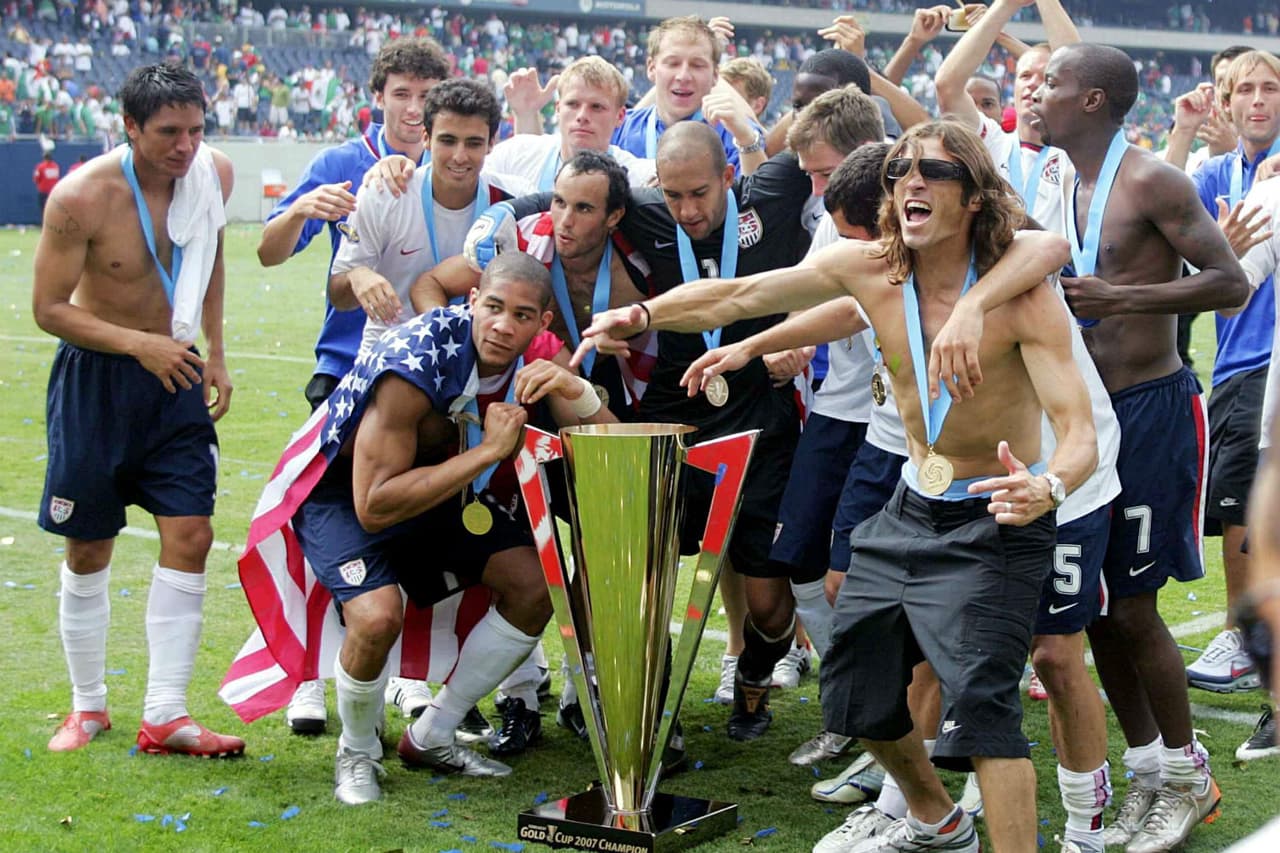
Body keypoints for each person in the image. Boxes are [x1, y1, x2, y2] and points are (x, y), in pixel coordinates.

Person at [578, 119, 1094, 853]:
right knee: (853, 692)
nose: (911, 182)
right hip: (910, 503)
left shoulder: (1021, 297)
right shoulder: (870, 269)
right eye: (901, 170)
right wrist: (641, 314)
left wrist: (1048, 485)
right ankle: (935, 817)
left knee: (984, 717)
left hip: (993, 520)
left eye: (935, 173)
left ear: (974, 196)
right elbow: (738, 292)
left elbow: (1079, 431)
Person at [286, 254, 616, 804]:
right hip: (346, 495)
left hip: (436, 493)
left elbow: (615, 443)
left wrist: (575, 391)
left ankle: (434, 732)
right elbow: (373, 505)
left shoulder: (536, 359)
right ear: (471, 303)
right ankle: (358, 749)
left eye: (521, 314)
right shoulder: (416, 361)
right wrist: (488, 452)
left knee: (535, 587)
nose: (503, 325)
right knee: (376, 616)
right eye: (492, 307)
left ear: (543, 324)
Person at [1030, 43, 1250, 852]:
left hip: (1152, 407)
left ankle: (1189, 778)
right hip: (1082, 418)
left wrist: (1124, 293)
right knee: (1092, 613)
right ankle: (1149, 771)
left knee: (1132, 605)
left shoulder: (1152, 178)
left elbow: (1232, 281)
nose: (1037, 92)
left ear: (1091, 100)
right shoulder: (1057, 178)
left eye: (1051, 82)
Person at [32, 63, 242, 757]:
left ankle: (166, 713)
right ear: (129, 126)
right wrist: (139, 344)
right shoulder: (80, 197)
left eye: (196, 129)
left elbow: (210, 258)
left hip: (176, 377)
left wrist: (214, 348)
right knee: (89, 543)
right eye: (168, 133)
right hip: (98, 382)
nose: (186, 147)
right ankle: (87, 705)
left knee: (192, 535)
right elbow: (48, 309)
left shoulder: (215, 172)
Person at [254, 36, 451, 735]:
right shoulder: (342, 163)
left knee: (414, 521)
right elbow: (268, 252)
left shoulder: (452, 161)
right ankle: (309, 675)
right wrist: (304, 209)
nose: (414, 108)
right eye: (402, 93)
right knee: (331, 522)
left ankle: (409, 672)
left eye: (427, 95)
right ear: (378, 97)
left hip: (427, 379)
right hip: (345, 372)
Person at [1180, 50, 1280, 696]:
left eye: (1271, 88)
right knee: (1237, 504)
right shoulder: (1212, 173)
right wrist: (1226, 251)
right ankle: (1250, 636)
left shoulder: (1273, 174)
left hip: (1265, 363)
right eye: (1246, 89)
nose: (1259, 100)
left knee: (1250, 503)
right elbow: (1212, 284)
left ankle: (1249, 638)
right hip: (1236, 355)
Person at [329, 77, 532, 355]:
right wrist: (357, 276)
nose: (459, 156)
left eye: (473, 143)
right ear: (426, 137)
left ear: (491, 143)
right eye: (447, 141)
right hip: (393, 357)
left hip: (479, 363)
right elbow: (338, 296)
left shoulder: (516, 200)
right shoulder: (385, 193)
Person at [610, 15, 766, 176]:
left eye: (697, 65)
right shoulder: (619, 128)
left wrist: (747, 142)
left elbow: (758, 197)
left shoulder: (737, 132)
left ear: (715, 75)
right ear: (651, 68)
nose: (683, 76)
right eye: (673, 63)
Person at [490, 56, 655, 189]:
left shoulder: (638, 180)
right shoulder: (514, 155)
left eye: (596, 107)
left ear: (620, 117)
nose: (582, 115)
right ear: (558, 109)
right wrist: (525, 115)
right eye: (572, 104)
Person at [32, 148, 60, 217]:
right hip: (53, 191)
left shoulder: (40, 166)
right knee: (53, 208)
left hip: (43, 191)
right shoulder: (55, 166)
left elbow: (36, 178)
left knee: (43, 209)